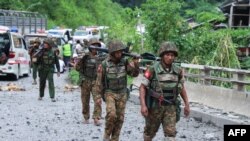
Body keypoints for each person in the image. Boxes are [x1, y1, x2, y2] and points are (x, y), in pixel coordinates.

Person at [139, 41, 190, 141]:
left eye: (172, 55)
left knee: (170, 136)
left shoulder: (178, 70)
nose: (170, 57)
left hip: (171, 107)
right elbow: (142, 87)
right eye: (167, 55)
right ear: (162, 55)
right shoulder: (153, 69)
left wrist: (187, 104)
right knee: (149, 133)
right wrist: (143, 105)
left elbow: (181, 88)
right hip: (155, 107)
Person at [95, 39, 140, 141]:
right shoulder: (104, 64)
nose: (119, 53)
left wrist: (136, 64)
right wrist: (97, 97)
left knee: (120, 119)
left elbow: (134, 74)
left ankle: (115, 138)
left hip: (122, 93)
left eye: (121, 51)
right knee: (111, 115)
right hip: (110, 92)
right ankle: (107, 134)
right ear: (112, 52)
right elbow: (98, 82)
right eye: (117, 51)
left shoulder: (124, 62)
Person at [75, 38, 106, 126]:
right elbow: (77, 68)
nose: (95, 48)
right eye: (93, 46)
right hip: (85, 81)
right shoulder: (85, 56)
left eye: (97, 46)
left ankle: (96, 118)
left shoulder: (102, 57)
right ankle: (86, 117)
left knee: (98, 100)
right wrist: (80, 60)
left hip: (96, 81)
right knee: (85, 101)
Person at [37, 38, 60, 102]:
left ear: (49, 45)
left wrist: (58, 70)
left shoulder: (53, 52)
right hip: (43, 68)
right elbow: (36, 60)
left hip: (50, 68)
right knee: (42, 82)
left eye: (46, 44)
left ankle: (52, 97)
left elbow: (57, 61)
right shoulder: (41, 51)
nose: (45, 45)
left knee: (51, 82)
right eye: (44, 43)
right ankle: (41, 95)